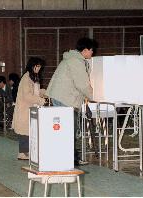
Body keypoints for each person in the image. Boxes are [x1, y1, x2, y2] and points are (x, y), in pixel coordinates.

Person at [46, 37, 97, 165]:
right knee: (69, 130)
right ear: (85, 50)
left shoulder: (71, 59)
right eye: (91, 50)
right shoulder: (76, 61)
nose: (92, 53)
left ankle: (64, 158)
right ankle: (71, 159)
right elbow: (82, 84)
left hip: (60, 97)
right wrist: (95, 97)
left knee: (62, 130)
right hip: (65, 99)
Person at [12, 57, 46, 160]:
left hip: (30, 108)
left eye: (40, 66)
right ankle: (22, 153)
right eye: (37, 66)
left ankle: (27, 152)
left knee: (28, 131)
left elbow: (35, 92)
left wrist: (46, 92)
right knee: (24, 132)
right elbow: (27, 95)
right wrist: (41, 101)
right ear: (32, 66)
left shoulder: (33, 77)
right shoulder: (26, 78)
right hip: (24, 109)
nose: (39, 68)